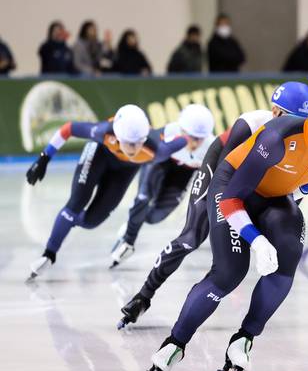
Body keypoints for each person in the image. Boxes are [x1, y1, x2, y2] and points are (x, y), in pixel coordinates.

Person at [146, 71, 308, 371]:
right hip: (232, 192)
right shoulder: (277, 138)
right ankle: (176, 343)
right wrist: (257, 240)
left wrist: (300, 193)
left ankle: (244, 339)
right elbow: (232, 198)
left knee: (288, 256)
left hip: (275, 197)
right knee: (229, 274)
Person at [117, 82, 308, 329]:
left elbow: (291, 188)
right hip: (222, 172)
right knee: (193, 236)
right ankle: (143, 296)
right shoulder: (250, 124)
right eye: (293, 120)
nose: (298, 128)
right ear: (275, 113)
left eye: (305, 122)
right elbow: (225, 182)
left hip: (256, 181)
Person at [25, 104, 192, 280]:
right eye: (129, 143)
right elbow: (68, 129)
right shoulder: (103, 131)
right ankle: (49, 253)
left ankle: (67, 219)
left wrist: (186, 131)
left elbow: (183, 139)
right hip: (99, 154)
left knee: (91, 221)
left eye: (138, 143)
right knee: (76, 202)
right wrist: (44, 158)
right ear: (118, 137)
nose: (133, 150)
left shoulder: (157, 151)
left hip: (123, 172)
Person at [110, 104, 215, 267]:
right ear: (181, 129)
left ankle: (134, 219)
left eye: (199, 138)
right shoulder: (167, 132)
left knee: (154, 218)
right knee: (143, 199)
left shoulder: (212, 147)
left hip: (182, 175)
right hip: (161, 164)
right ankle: (128, 241)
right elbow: (139, 146)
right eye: (190, 136)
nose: (194, 143)